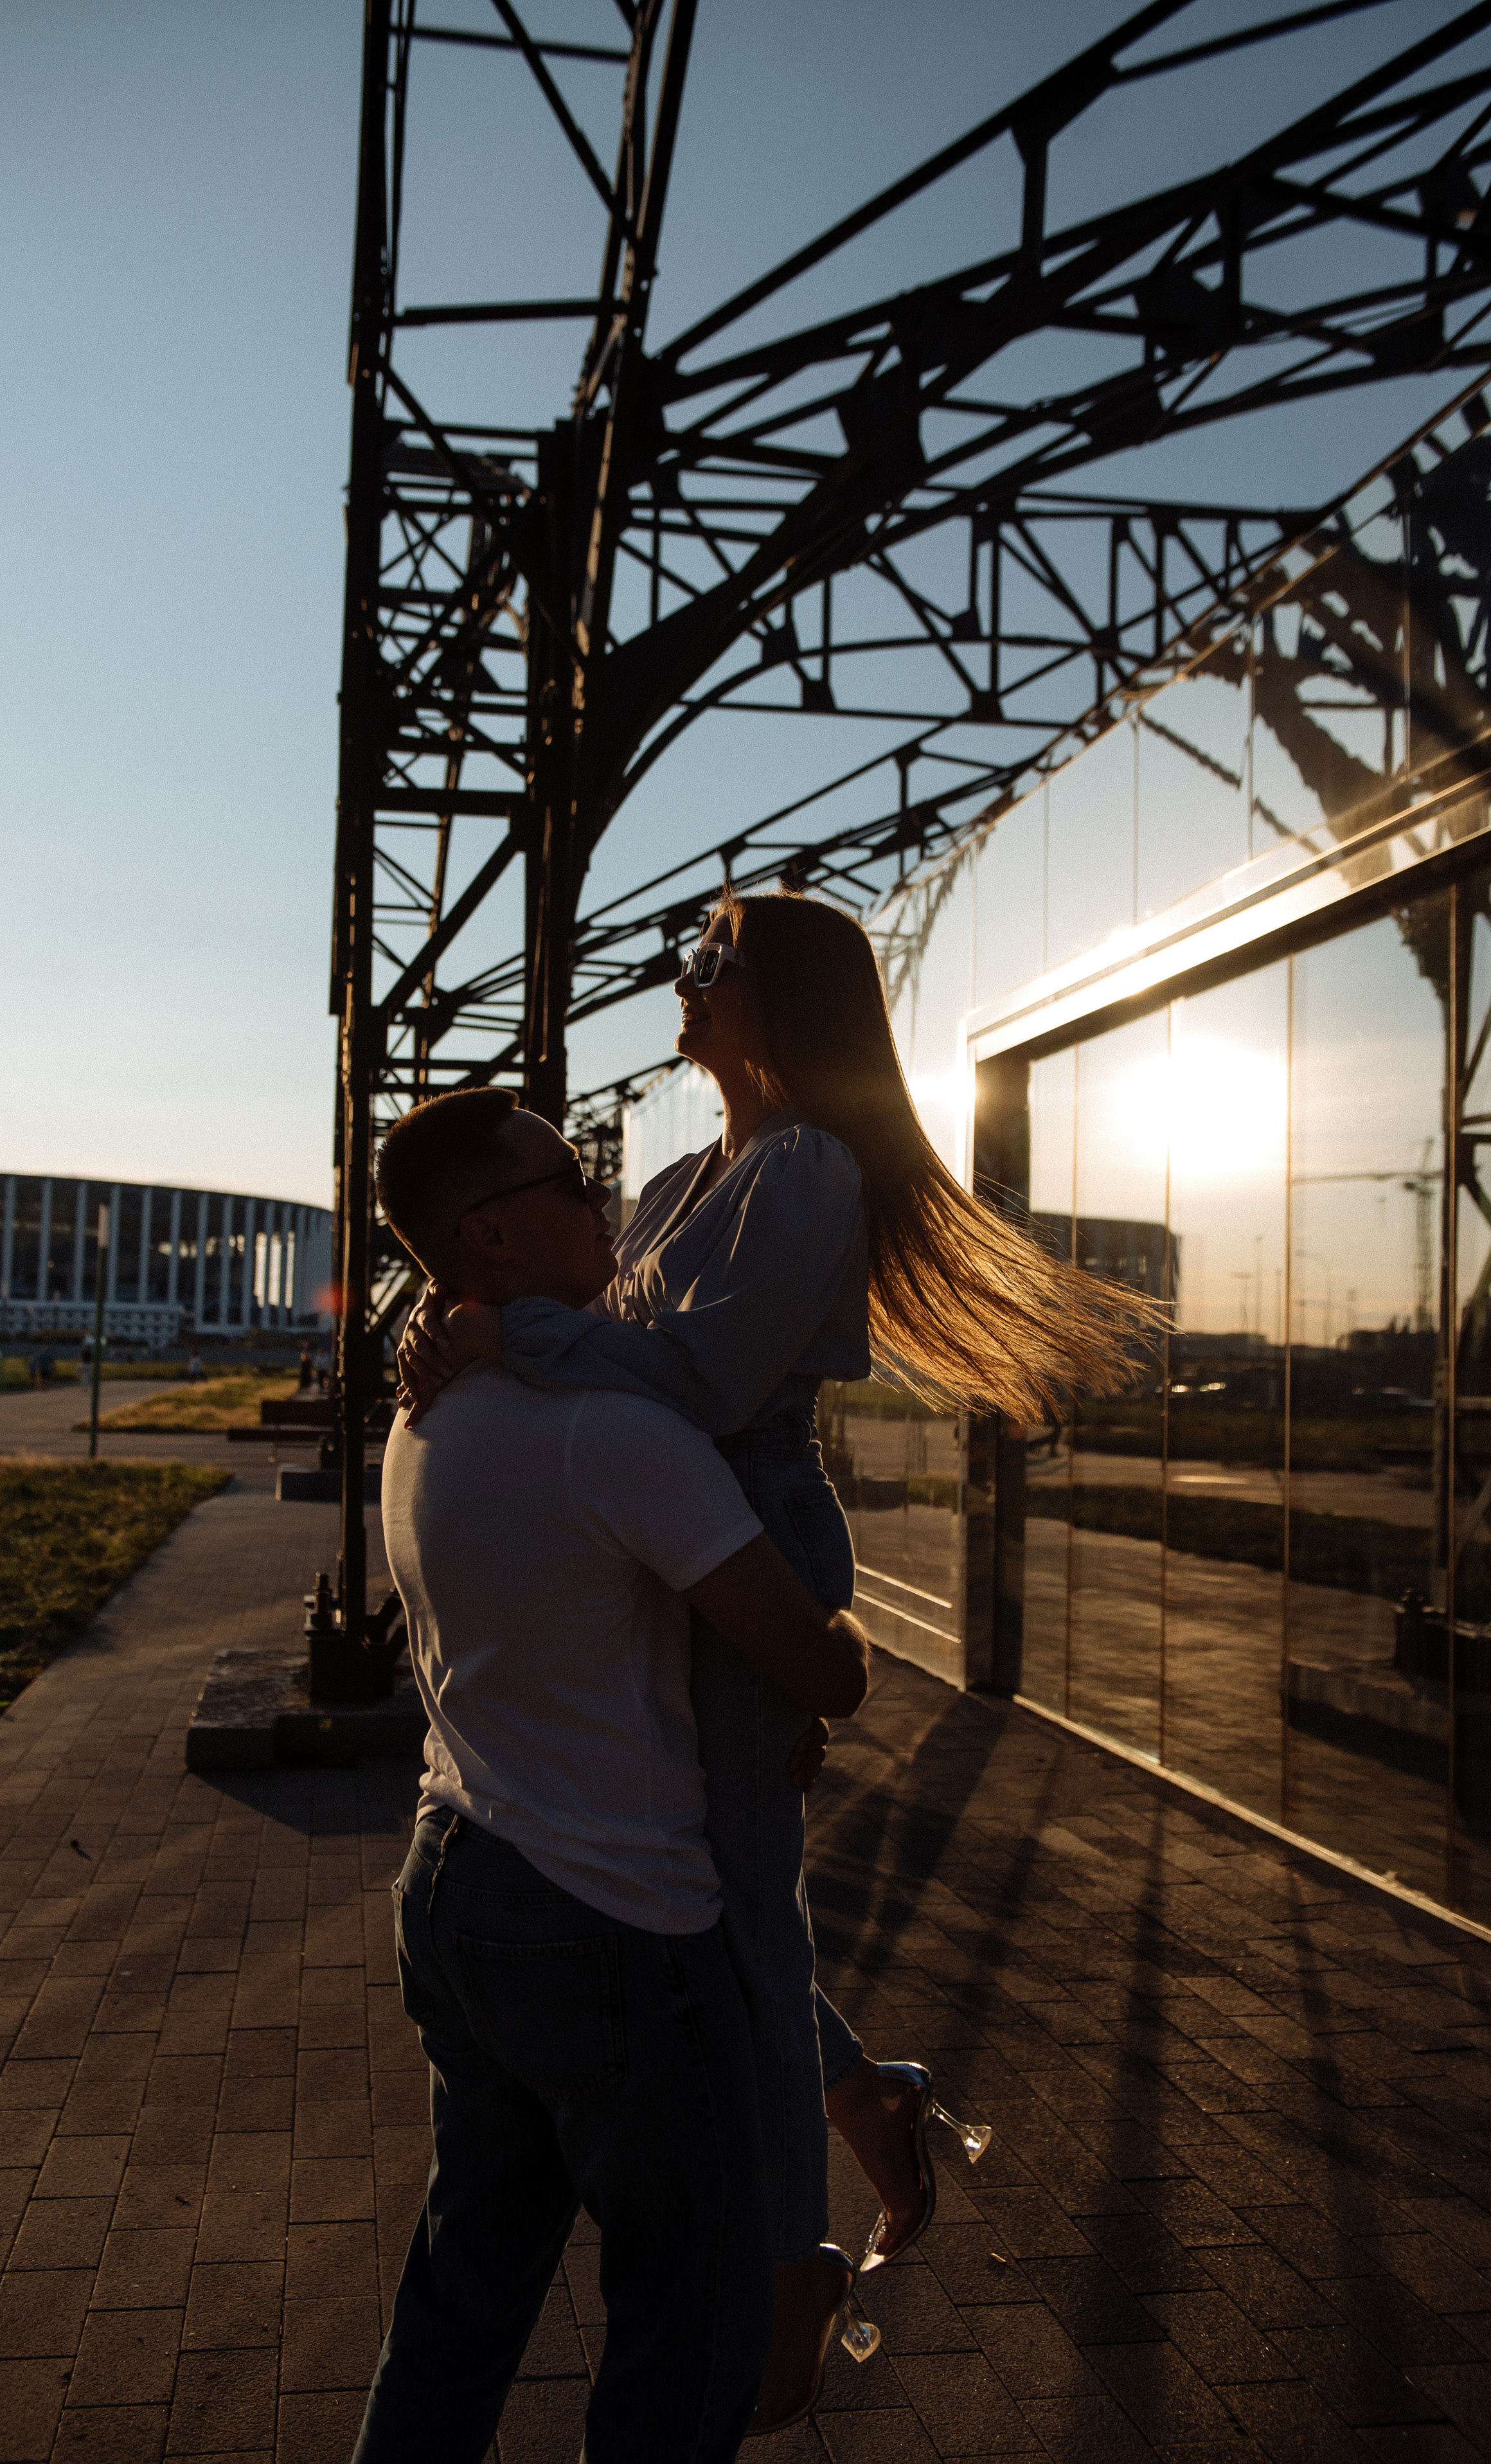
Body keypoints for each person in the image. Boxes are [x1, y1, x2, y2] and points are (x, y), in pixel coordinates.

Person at [398, 888, 1150, 2388]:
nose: (685, 976)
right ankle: (854, 2110)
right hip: (670, 1535)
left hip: (735, 1516)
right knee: (714, 1879)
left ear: (775, 997)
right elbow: (590, 1328)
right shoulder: (691, 1171)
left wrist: (500, 1333)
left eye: (711, 959)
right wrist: (459, 1314)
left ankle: (791, 2259)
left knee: (732, 1890)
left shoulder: (804, 1169)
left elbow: (696, 1382)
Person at [355, 1091, 877, 2463]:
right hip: (613, 1929)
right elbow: (817, 1671)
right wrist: (848, 1641)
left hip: (453, 1880)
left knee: (457, 2310)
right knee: (684, 2347)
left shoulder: (424, 1420)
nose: (600, 1196)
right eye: (571, 1179)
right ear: (493, 1235)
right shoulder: (616, 1437)